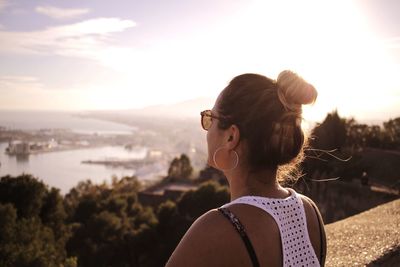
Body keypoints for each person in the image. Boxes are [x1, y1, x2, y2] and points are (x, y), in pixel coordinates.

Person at [166, 71, 326, 267]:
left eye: (210, 119)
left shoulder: (216, 229)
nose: (207, 131)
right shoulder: (309, 212)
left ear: (231, 137)